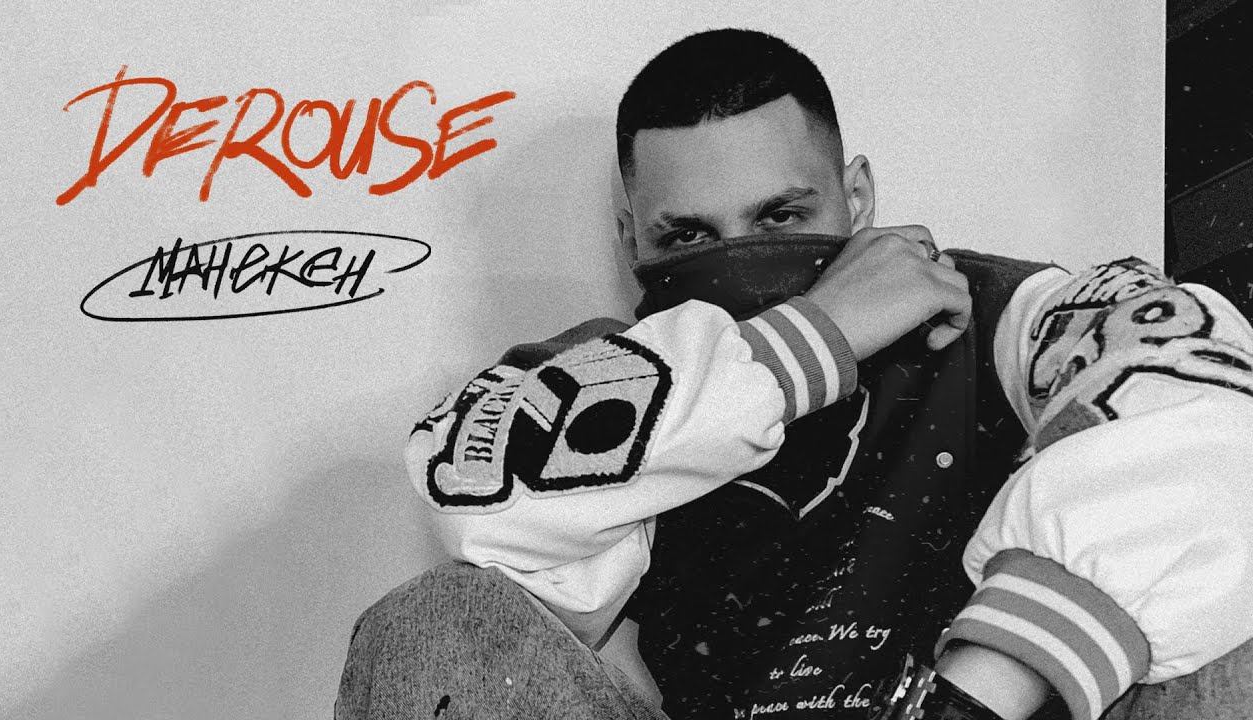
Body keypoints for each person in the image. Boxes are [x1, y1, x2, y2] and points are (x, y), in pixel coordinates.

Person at [335, 29, 1253, 720]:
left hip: (971, 701)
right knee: (432, 619)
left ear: (857, 197)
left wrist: (979, 695)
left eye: (781, 219)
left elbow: (1214, 415)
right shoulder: (606, 375)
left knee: (1220, 618)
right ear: (631, 242)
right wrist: (816, 334)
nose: (739, 261)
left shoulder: (999, 307)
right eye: (688, 237)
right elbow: (477, 511)